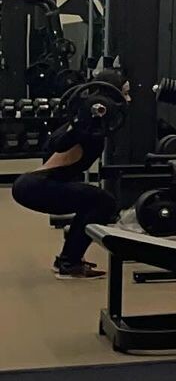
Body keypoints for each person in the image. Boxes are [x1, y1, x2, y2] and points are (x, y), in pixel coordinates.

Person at [12, 111, 118, 278]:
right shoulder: (81, 129)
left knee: (93, 201)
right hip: (34, 186)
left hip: (29, 184)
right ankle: (70, 263)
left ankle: (67, 259)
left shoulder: (79, 126)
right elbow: (60, 143)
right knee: (103, 201)